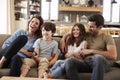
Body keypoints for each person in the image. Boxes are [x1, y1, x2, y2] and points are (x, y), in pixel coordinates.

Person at [61, 14, 117, 80]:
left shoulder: (107, 37)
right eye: (89, 26)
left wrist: (91, 51)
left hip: (102, 64)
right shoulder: (87, 34)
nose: (89, 29)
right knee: (69, 61)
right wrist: (63, 39)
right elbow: (72, 33)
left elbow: (113, 56)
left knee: (98, 58)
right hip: (87, 62)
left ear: (100, 27)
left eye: (92, 27)